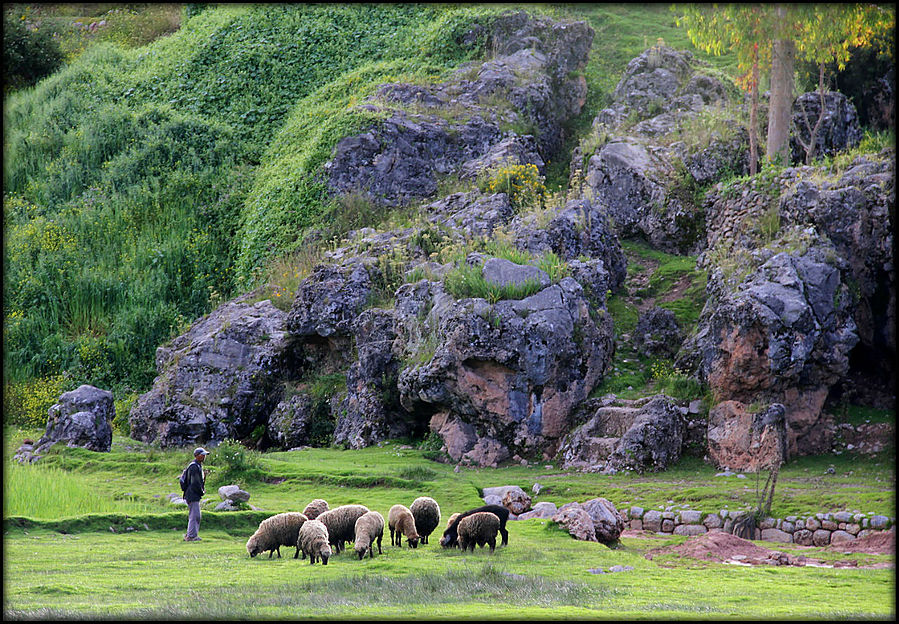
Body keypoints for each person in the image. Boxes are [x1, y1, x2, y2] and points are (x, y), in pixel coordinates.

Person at [183, 447, 209, 542]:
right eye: (202, 455)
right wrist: (201, 491)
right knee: (195, 515)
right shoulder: (194, 467)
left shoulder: (197, 465)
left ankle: (191, 534)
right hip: (192, 494)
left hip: (192, 493)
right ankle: (191, 536)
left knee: (195, 515)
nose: (204, 457)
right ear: (197, 456)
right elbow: (195, 483)